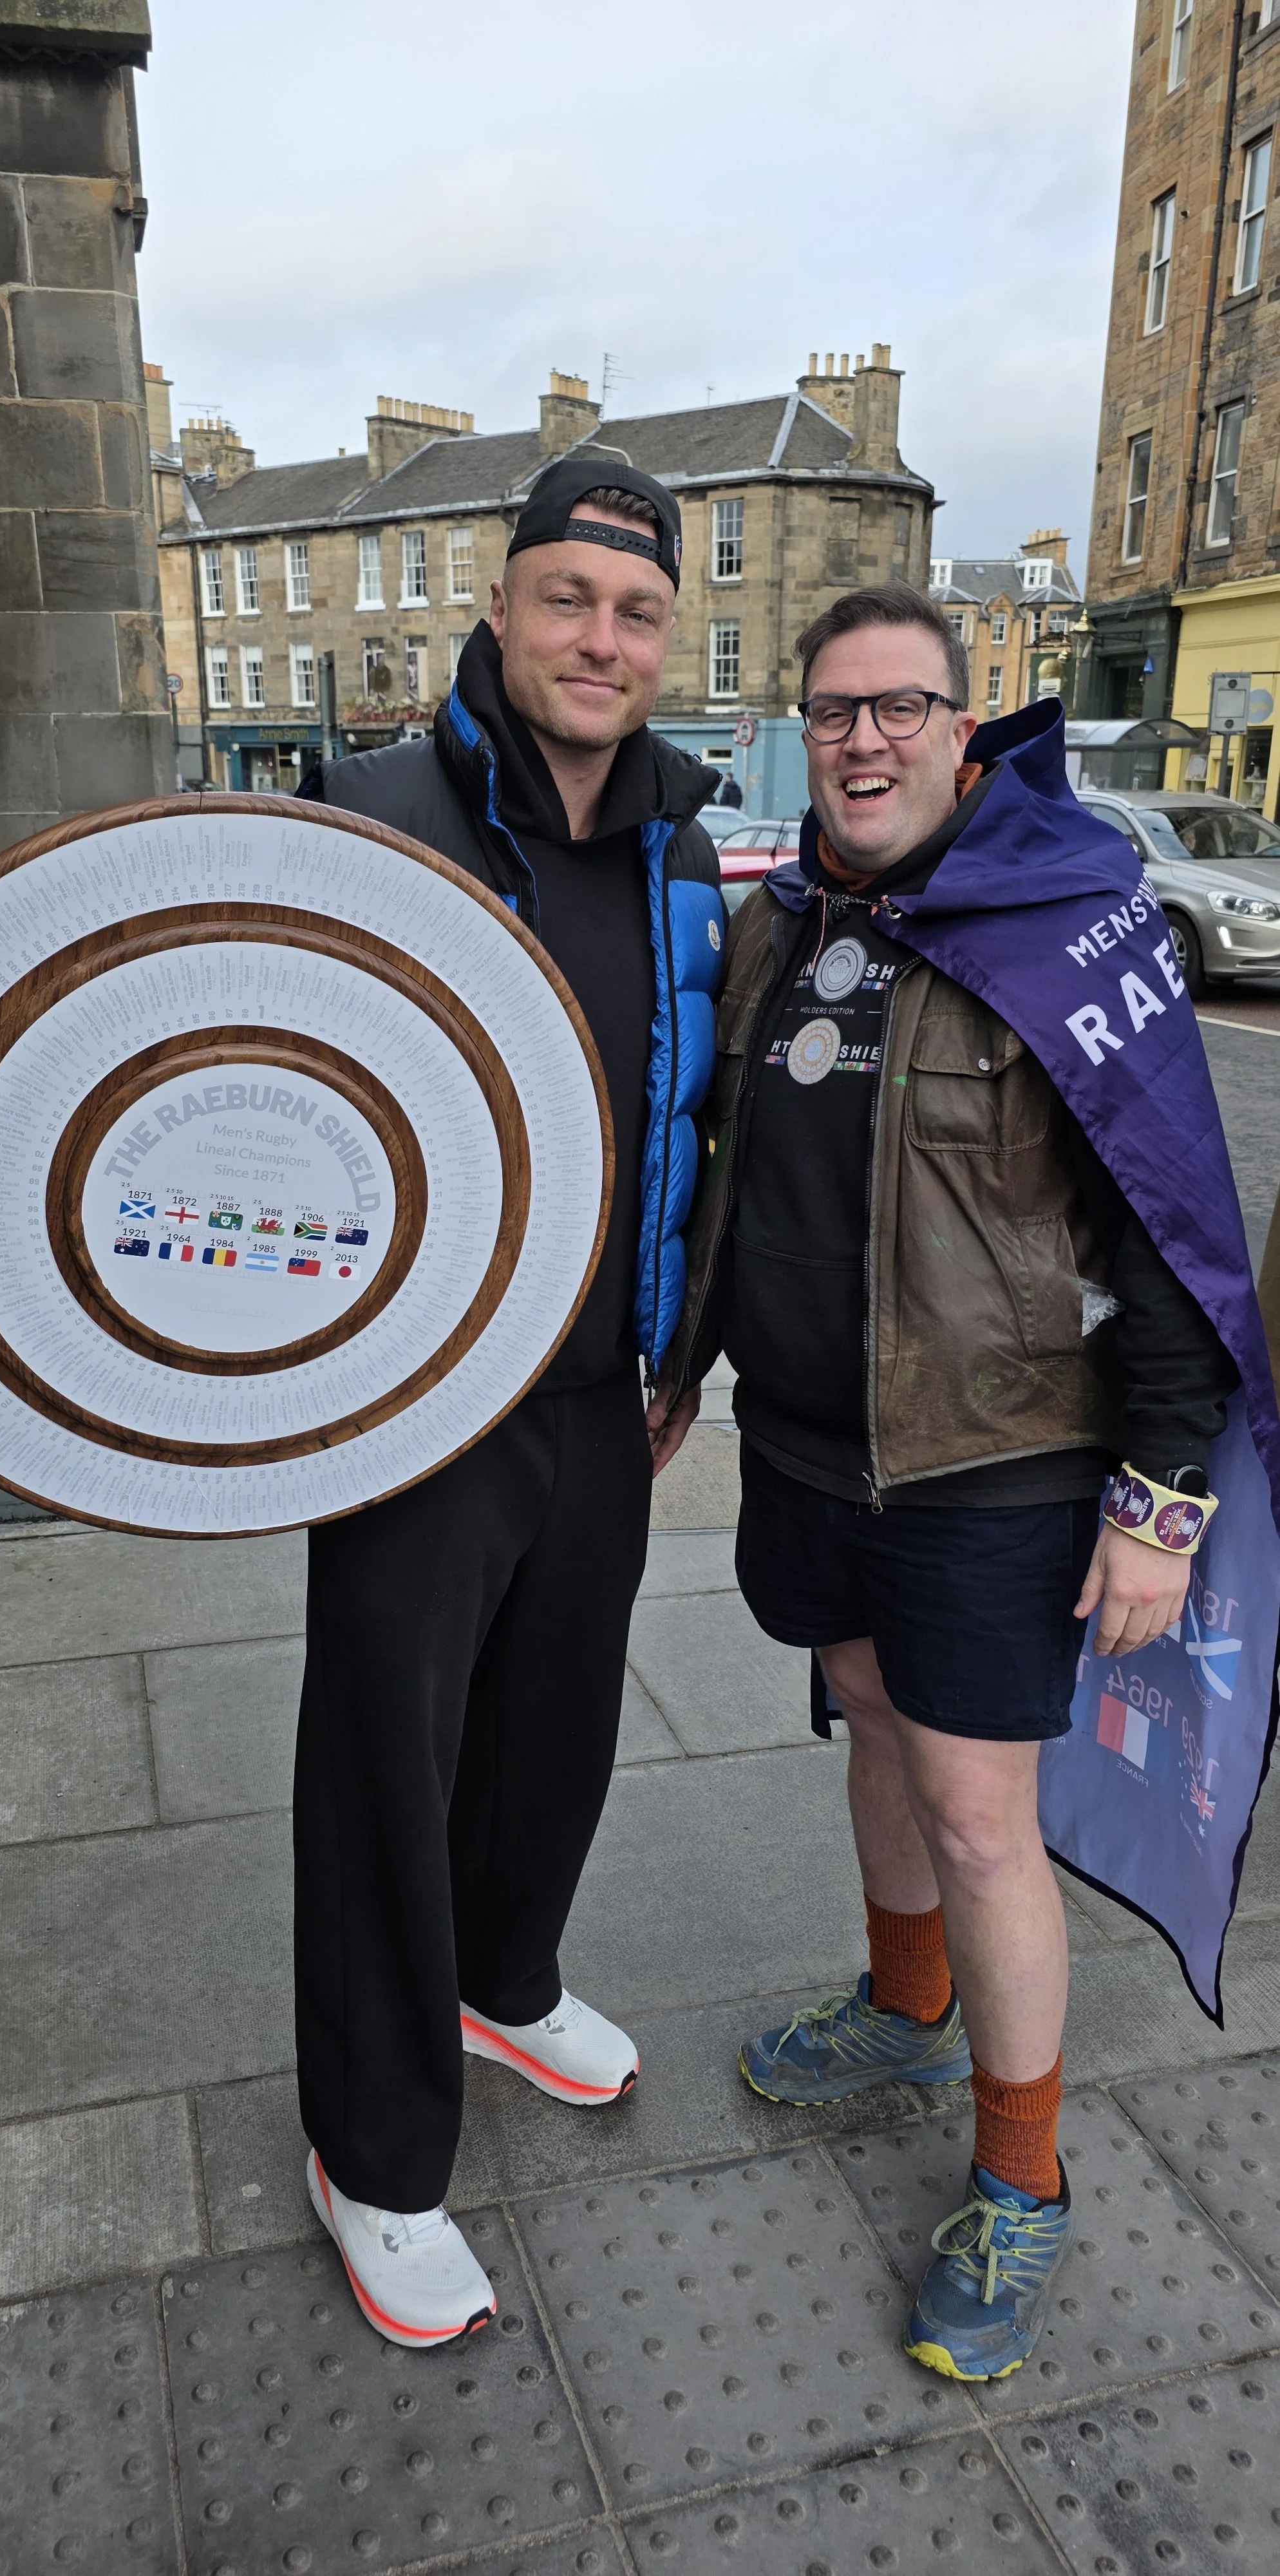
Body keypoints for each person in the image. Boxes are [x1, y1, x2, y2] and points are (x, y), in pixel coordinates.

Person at [649, 580, 1239, 2383]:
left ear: (966, 726)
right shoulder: (784, 930)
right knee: (871, 1726)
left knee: (985, 1816)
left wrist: (1158, 1494)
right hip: (813, 1451)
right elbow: (720, 1167)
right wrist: (678, 1375)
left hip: (994, 1457)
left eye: (899, 706)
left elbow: (1169, 1222)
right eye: (833, 710)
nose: (862, 738)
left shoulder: (1069, 920)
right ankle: (905, 2003)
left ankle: (1020, 2173)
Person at [294, 455, 723, 2345]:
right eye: (566, 599)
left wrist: (677, 1349)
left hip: (598, 1394)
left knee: (555, 1733)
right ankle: (374, 2158)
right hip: (409, 1409)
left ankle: (506, 1978)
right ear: (499, 605)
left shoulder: (689, 845)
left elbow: (693, 1113)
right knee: (386, 1766)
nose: (600, 640)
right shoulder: (369, 810)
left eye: (634, 613)